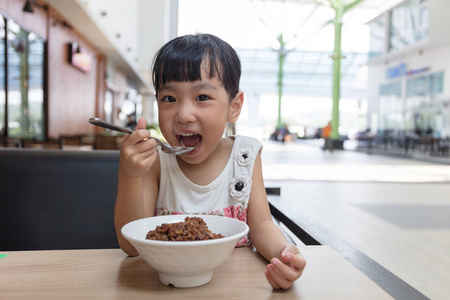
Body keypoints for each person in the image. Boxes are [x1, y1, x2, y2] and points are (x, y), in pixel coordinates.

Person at [114, 33, 306, 289]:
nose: (183, 114)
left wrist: (284, 253)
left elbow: (260, 225)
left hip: (232, 285)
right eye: (169, 98)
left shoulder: (245, 156)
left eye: (202, 97)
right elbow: (131, 246)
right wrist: (129, 175)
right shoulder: (157, 161)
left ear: (234, 107)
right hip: (162, 286)